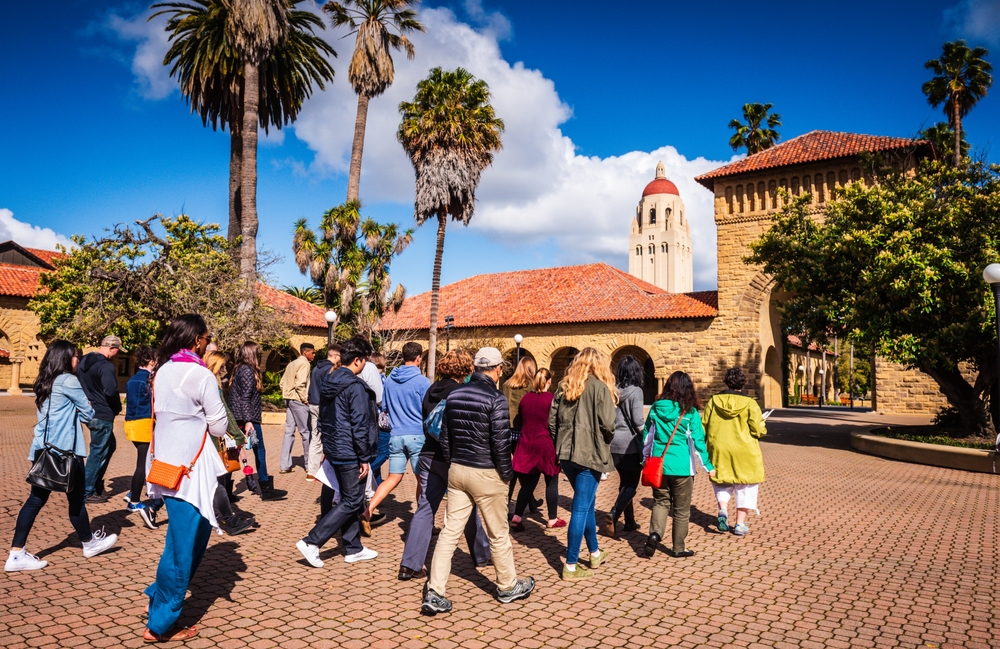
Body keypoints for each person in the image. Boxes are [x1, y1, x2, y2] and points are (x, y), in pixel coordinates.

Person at [422, 347, 535, 616]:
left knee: (450, 532)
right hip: (485, 471)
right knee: (498, 533)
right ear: (496, 370)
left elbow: (445, 436)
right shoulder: (496, 399)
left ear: (475, 368)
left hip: (458, 469)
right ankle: (507, 586)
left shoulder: (455, 394)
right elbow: (501, 442)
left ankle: (435, 590)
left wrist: (453, 461)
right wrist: (506, 474)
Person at [143, 315, 229, 643]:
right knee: (182, 549)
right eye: (207, 338)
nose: (209, 343)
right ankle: (161, 623)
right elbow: (220, 426)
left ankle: (161, 594)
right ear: (196, 340)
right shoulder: (200, 375)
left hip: (167, 467)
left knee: (185, 544)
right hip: (191, 475)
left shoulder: (162, 370)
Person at [7, 341, 118, 572]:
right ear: (66, 359)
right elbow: (89, 413)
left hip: (42, 448)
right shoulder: (68, 380)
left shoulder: (44, 381)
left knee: (36, 499)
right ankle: (88, 543)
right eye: (75, 356)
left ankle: (17, 553)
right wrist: (84, 406)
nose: (78, 360)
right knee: (76, 500)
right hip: (65, 451)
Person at [398, 349, 490, 581]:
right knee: (468, 505)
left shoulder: (431, 389)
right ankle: (481, 554)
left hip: (428, 454)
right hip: (453, 457)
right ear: (465, 369)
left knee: (425, 508)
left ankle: (410, 564)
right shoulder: (461, 392)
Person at [296, 336, 379, 567]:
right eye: (364, 362)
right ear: (357, 360)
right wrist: (364, 457)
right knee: (352, 500)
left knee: (348, 497)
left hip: (334, 447)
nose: (364, 366)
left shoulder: (330, 380)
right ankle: (312, 541)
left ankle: (353, 547)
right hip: (349, 450)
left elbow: (323, 417)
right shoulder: (354, 386)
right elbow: (360, 424)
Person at [549, 347, 616, 581]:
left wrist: (560, 444)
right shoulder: (599, 388)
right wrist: (604, 441)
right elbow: (609, 424)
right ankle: (570, 565)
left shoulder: (564, 386)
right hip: (589, 454)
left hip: (567, 453)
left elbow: (552, 421)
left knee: (586, 503)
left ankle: (595, 552)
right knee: (581, 507)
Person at [641, 371, 714, 558]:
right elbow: (698, 442)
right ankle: (678, 547)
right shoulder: (690, 412)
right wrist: (708, 466)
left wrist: (644, 459)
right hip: (682, 466)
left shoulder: (656, 408)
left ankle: (655, 533)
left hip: (659, 465)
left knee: (660, 502)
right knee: (682, 510)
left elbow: (648, 437)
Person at [362, 342, 430, 525]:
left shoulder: (390, 380)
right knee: (422, 480)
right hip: (417, 435)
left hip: (396, 435)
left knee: (393, 478)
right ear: (418, 358)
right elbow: (428, 409)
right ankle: (422, 522)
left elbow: (384, 407)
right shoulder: (423, 382)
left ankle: (368, 511)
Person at [703, 368, 767, 536]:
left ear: (726, 381)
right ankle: (739, 524)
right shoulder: (751, 403)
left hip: (719, 448)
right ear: (743, 383)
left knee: (722, 481)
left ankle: (723, 509)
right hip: (744, 449)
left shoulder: (713, 401)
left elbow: (704, 425)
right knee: (745, 485)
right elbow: (759, 429)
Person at [203, 351, 255, 536]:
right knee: (218, 482)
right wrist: (238, 436)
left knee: (214, 482)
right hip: (210, 441)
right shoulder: (212, 384)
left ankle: (218, 516)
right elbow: (224, 412)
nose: (225, 369)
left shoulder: (206, 381)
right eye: (223, 365)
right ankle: (229, 519)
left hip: (204, 438)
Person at [510, 369, 564, 530]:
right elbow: (556, 423)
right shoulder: (551, 399)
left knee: (528, 483)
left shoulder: (526, 399)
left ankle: (517, 516)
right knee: (551, 481)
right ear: (548, 381)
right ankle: (552, 519)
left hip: (527, 443)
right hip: (546, 444)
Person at [230, 341, 285, 500]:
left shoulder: (240, 369)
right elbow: (245, 399)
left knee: (235, 451)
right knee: (258, 449)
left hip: (243, 418)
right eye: (258, 352)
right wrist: (248, 421)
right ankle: (266, 488)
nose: (260, 354)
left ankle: (227, 490)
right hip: (248, 420)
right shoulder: (247, 371)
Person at [602, 355, 646, 538]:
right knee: (632, 484)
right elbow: (638, 421)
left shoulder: (612, 390)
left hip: (614, 443)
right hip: (630, 445)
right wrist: (647, 437)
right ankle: (615, 512)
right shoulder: (636, 392)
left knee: (624, 482)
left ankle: (629, 521)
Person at [76, 334, 124, 502]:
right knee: (98, 452)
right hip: (102, 414)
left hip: (88, 412)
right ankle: (87, 490)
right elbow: (111, 391)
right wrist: (117, 407)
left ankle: (95, 484)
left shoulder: (83, 362)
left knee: (109, 446)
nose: (117, 354)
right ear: (111, 348)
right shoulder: (106, 366)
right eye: (117, 350)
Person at [124, 345, 163, 530]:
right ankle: (134, 500)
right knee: (143, 464)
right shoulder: (148, 380)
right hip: (144, 423)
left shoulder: (133, 379)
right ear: (150, 361)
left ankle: (134, 492)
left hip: (131, 423)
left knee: (143, 461)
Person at [502, 357, 536, 504]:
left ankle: (531, 501)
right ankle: (508, 501)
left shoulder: (506, 385)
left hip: (505, 429)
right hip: (522, 430)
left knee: (515, 466)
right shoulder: (531, 386)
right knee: (517, 469)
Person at [279, 343, 315, 474]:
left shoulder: (291, 364)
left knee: (289, 432)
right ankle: (309, 465)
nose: (314, 355)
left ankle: (284, 465)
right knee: (306, 432)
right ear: (305, 352)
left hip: (289, 400)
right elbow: (300, 384)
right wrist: (305, 398)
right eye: (312, 352)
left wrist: (287, 393)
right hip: (298, 401)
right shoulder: (305, 364)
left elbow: (282, 382)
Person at [307, 344, 340, 478]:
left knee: (315, 437)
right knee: (327, 436)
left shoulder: (316, 368)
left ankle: (312, 471)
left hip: (313, 404)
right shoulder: (330, 369)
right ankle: (327, 470)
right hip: (322, 405)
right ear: (335, 356)